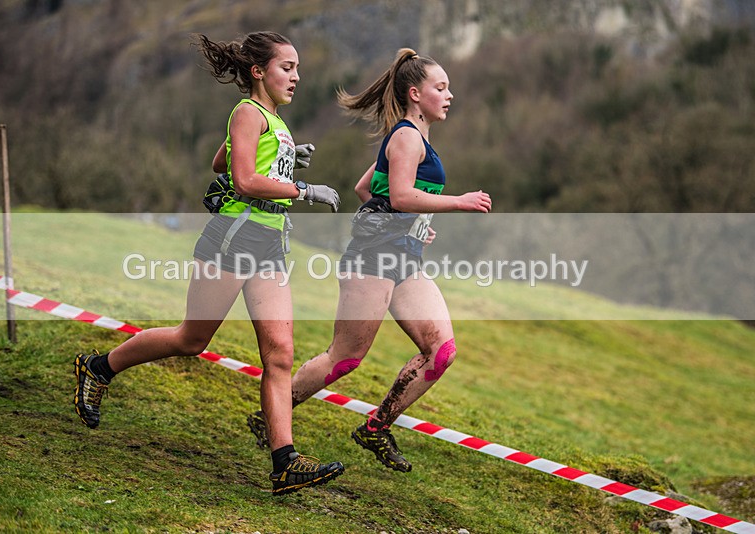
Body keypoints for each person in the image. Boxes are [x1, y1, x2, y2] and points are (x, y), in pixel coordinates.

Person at [73, 31, 345, 495]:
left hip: (270, 244)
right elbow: (242, 181)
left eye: (297, 68)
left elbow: (222, 160)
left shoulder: (271, 120)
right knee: (191, 339)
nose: (297, 76)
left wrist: (286, 159)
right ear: (258, 71)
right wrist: (303, 189)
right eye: (287, 67)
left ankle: (285, 462)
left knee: (280, 353)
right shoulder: (247, 112)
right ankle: (99, 367)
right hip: (234, 238)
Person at [247, 48, 492, 472]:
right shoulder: (406, 137)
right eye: (441, 87)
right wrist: (459, 201)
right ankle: (270, 415)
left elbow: (368, 189)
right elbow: (399, 195)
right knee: (345, 357)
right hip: (373, 259)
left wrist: (414, 226)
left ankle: (376, 427)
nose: (449, 95)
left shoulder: (416, 138)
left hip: (405, 259)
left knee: (442, 351)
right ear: (415, 94)